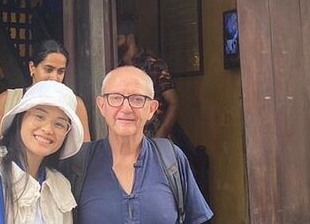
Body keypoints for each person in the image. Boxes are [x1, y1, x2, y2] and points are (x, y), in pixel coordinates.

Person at [71, 66, 212, 224]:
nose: (126, 108)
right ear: (102, 106)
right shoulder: (79, 163)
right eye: (116, 98)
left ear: (151, 109)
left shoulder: (171, 159)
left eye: (137, 99)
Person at [0, 80, 83, 223]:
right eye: (39, 116)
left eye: (59, 124)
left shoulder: (59, 185)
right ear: (20, 118)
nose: (48, 129)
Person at [0, 40, 91, 144]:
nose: (54, 77)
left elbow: (84, 149)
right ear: (32, 68)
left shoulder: (75, 104)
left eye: (60, 71)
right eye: (48, 70)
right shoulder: (8, 99)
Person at [117, 18, 179, 139]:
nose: (115, 44)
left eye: (118, 39)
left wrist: (161, 134)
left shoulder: (153, 65)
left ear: (130, 38)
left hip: (154, 136)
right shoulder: (117, 68)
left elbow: (173, 102)